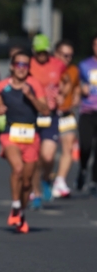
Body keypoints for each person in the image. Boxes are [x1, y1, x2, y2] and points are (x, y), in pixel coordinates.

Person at [0, 51, 49, 231]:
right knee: (18, 169)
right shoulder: (3, 85)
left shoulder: (34, 84)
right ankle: (14, 206)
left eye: (25, 65)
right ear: (12, 66)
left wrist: (31, 97)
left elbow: (45, 111)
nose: (22, 68)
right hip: (10, 134)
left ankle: (21, 212)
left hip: (31, 137)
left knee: (27, 182)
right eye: (18, 64)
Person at [29, 34, 67, 208]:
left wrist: (62, 94)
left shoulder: (57, 64)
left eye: (44, 52)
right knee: (34, 158)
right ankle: (35, 192)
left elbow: (67, 81)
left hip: (50, 115)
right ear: (34, 51)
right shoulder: (28, 65)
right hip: (33, 115)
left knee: (48, 155)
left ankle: (46, 179)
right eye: (39, 52)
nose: (42, 55)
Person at [52, 40, 79, 197]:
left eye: (70, 56)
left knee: (68, 147)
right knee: (47, 152)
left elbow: (76, 85)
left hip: (67, 114)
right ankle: (45, 177)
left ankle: (60, 180)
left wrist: (76, 95)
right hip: (51, 114)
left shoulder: (73, 70)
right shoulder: (50, 70)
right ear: (56, 54)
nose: (67, 59)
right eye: (64, 55)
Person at [76, 35, 97, 194]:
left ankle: (94, 180)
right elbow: (76, 85)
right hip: (87, 111)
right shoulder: (84, 65)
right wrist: (81, 89)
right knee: (86, 145)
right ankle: (83, 168)